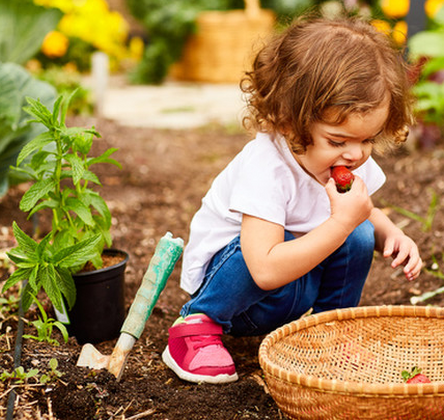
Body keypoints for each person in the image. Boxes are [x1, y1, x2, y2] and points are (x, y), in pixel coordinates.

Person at [162, 14, 423, 384]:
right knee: (307, 234)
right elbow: (264, 268)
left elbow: (360, 212)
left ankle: (330, 331)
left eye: (367, 140)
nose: (356, 155)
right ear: (289, 122)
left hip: (295, 284)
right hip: (243, 298)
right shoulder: (266, 168)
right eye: (338, 141)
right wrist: (342, 222)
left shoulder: (346, 158)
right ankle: (196, 327)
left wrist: (390, 233)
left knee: (361, 233)